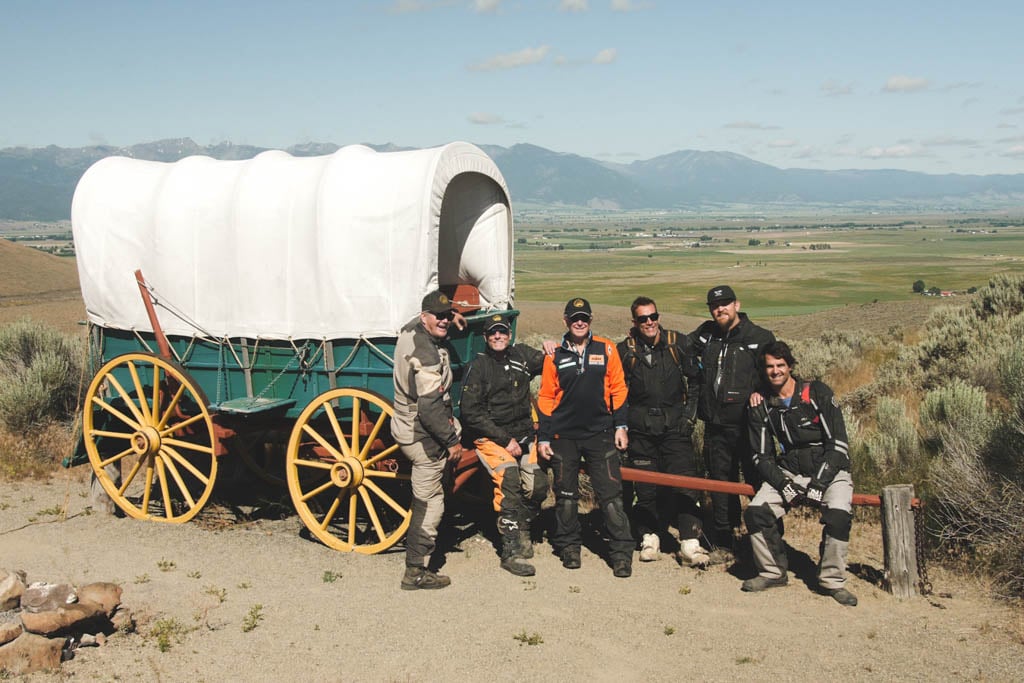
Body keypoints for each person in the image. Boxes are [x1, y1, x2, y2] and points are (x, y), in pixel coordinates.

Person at [743, 341, 857, 606]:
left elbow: (838, 444)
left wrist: (820, 482)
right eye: (769, 366)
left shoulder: (816, 392)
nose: (775, 371)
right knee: (756, 511)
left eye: (780, 365)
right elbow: (760, 455)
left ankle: (831, 581)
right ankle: (772, 572)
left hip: (829, 468)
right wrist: (783, 484)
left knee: (839, 515)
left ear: (790, 366)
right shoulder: (761, 404)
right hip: (790, 471)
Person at [537, 297, 634, 578]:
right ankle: (569, 548)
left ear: (590, 321)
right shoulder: (554, 353)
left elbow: (618, 389)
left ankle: (621, 553)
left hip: (600, 434)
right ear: (565, 321)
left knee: (611, 497)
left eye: (585, 318)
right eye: (574, 318)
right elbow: (545, 396)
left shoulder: (606, 349)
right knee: (566, 497)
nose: (580, 322)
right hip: (563, 436)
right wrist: (544, 437)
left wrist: (621, 426)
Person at [618, 296, 709, 566]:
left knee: (685, 484)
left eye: (653, 316)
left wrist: (689, 417)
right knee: (645, 488)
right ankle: (650, 539)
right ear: (634, 321)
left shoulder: (676, 343)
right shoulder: (625, 350)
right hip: (641, 430)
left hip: (675, 428)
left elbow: (696, 381)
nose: (650, 322)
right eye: (643, 318)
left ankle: (690, 543)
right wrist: (621, 425)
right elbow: (616, 391)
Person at [459, 312, 549, 577]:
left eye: (502, 332)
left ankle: (522, 526)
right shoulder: (479, 366)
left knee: (538, 484)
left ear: (509, 335)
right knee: (509, 478)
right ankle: (510, 551)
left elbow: (550, 364)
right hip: (492, 438)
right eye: (492, 333)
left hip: (522, 434)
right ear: (486, 338)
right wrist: (504, 439)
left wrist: (554, 346)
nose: (498, 336)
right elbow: (471, 412)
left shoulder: (521, 355)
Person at [688, 284, 775, 552]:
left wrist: (761, 393)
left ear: (737, 305)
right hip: (715, 425)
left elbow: (776, 373)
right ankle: (724, 539)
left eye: (725, 304)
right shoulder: (707, 335)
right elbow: (679, 346)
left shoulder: (759, 337)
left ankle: (766, 537)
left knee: (757, 480)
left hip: (749, 425)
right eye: (715, 306)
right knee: (720, 482)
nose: (720, 309)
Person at [391, 289, 464, 590]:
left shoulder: (410, 329)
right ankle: (415, 571)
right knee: (429, 501)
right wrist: (451, 442)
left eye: (447, 315)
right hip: (421, 435)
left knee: (429, 496)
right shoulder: (426, 353)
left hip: (405, 421)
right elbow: (430, 407)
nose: (445, 321)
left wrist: (450, 315)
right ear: (424, 317)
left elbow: (432, 316)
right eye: (439, 316)